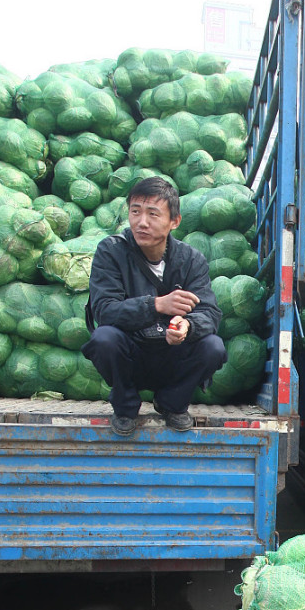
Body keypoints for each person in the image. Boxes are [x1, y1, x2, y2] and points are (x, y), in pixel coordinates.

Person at [82, 176, 227, 436]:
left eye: (152, 214)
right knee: (104, 338)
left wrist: (187, 326)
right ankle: (125, 408)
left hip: (173, 356)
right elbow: (103, 310)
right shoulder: (111, 251)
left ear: (174, 222)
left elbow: (210, 313)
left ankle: (172, 403)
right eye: (135, 212)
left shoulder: (191, 259)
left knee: (213, 346)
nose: (142, 222)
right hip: (131, 354)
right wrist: (157, 305)